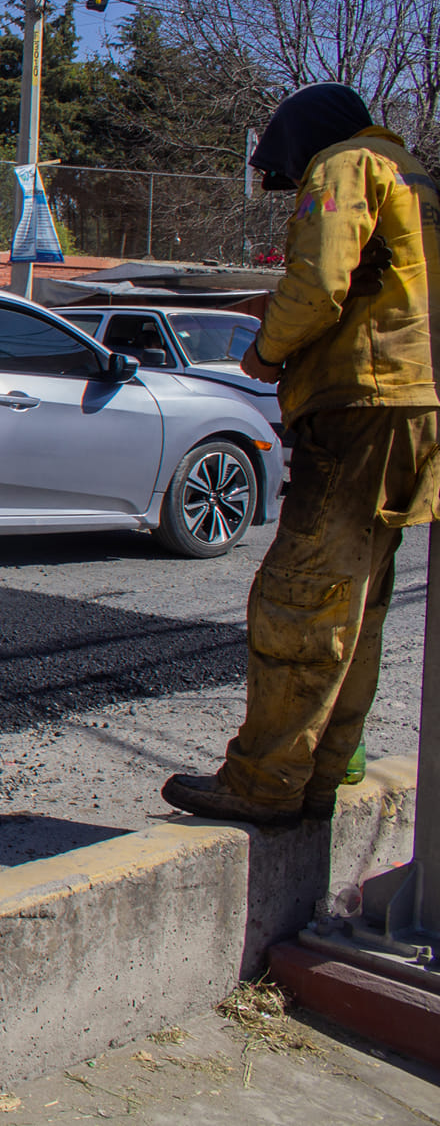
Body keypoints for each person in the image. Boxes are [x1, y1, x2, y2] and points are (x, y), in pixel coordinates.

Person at [162, 83, 440, 826]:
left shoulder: (346, 165)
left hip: (359, 405)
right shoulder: (414, 175)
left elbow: (318, 283)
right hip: (416, 402)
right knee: (356, 600)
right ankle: (320, 772)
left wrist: (268, 348)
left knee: (297, 598)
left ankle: (264, 782)